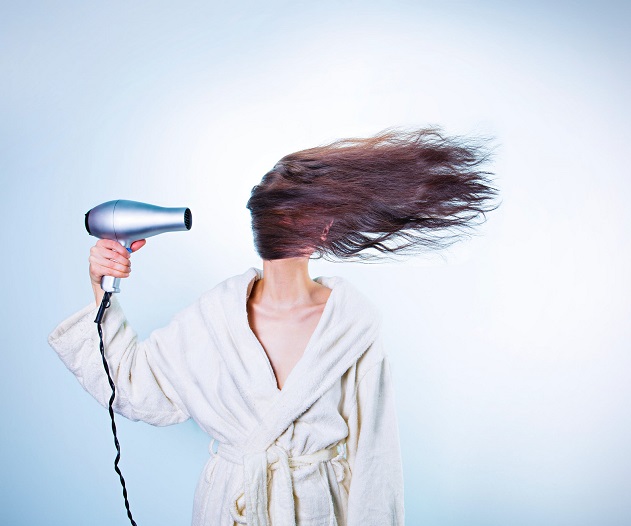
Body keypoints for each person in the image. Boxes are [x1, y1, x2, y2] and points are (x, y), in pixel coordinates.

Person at [48, 128, 498, 525]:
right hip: (231, 508)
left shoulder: (351, 328)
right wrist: (99, 287)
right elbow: (133, 388)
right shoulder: (213, 319)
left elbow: (376, 462)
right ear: (324, 228)